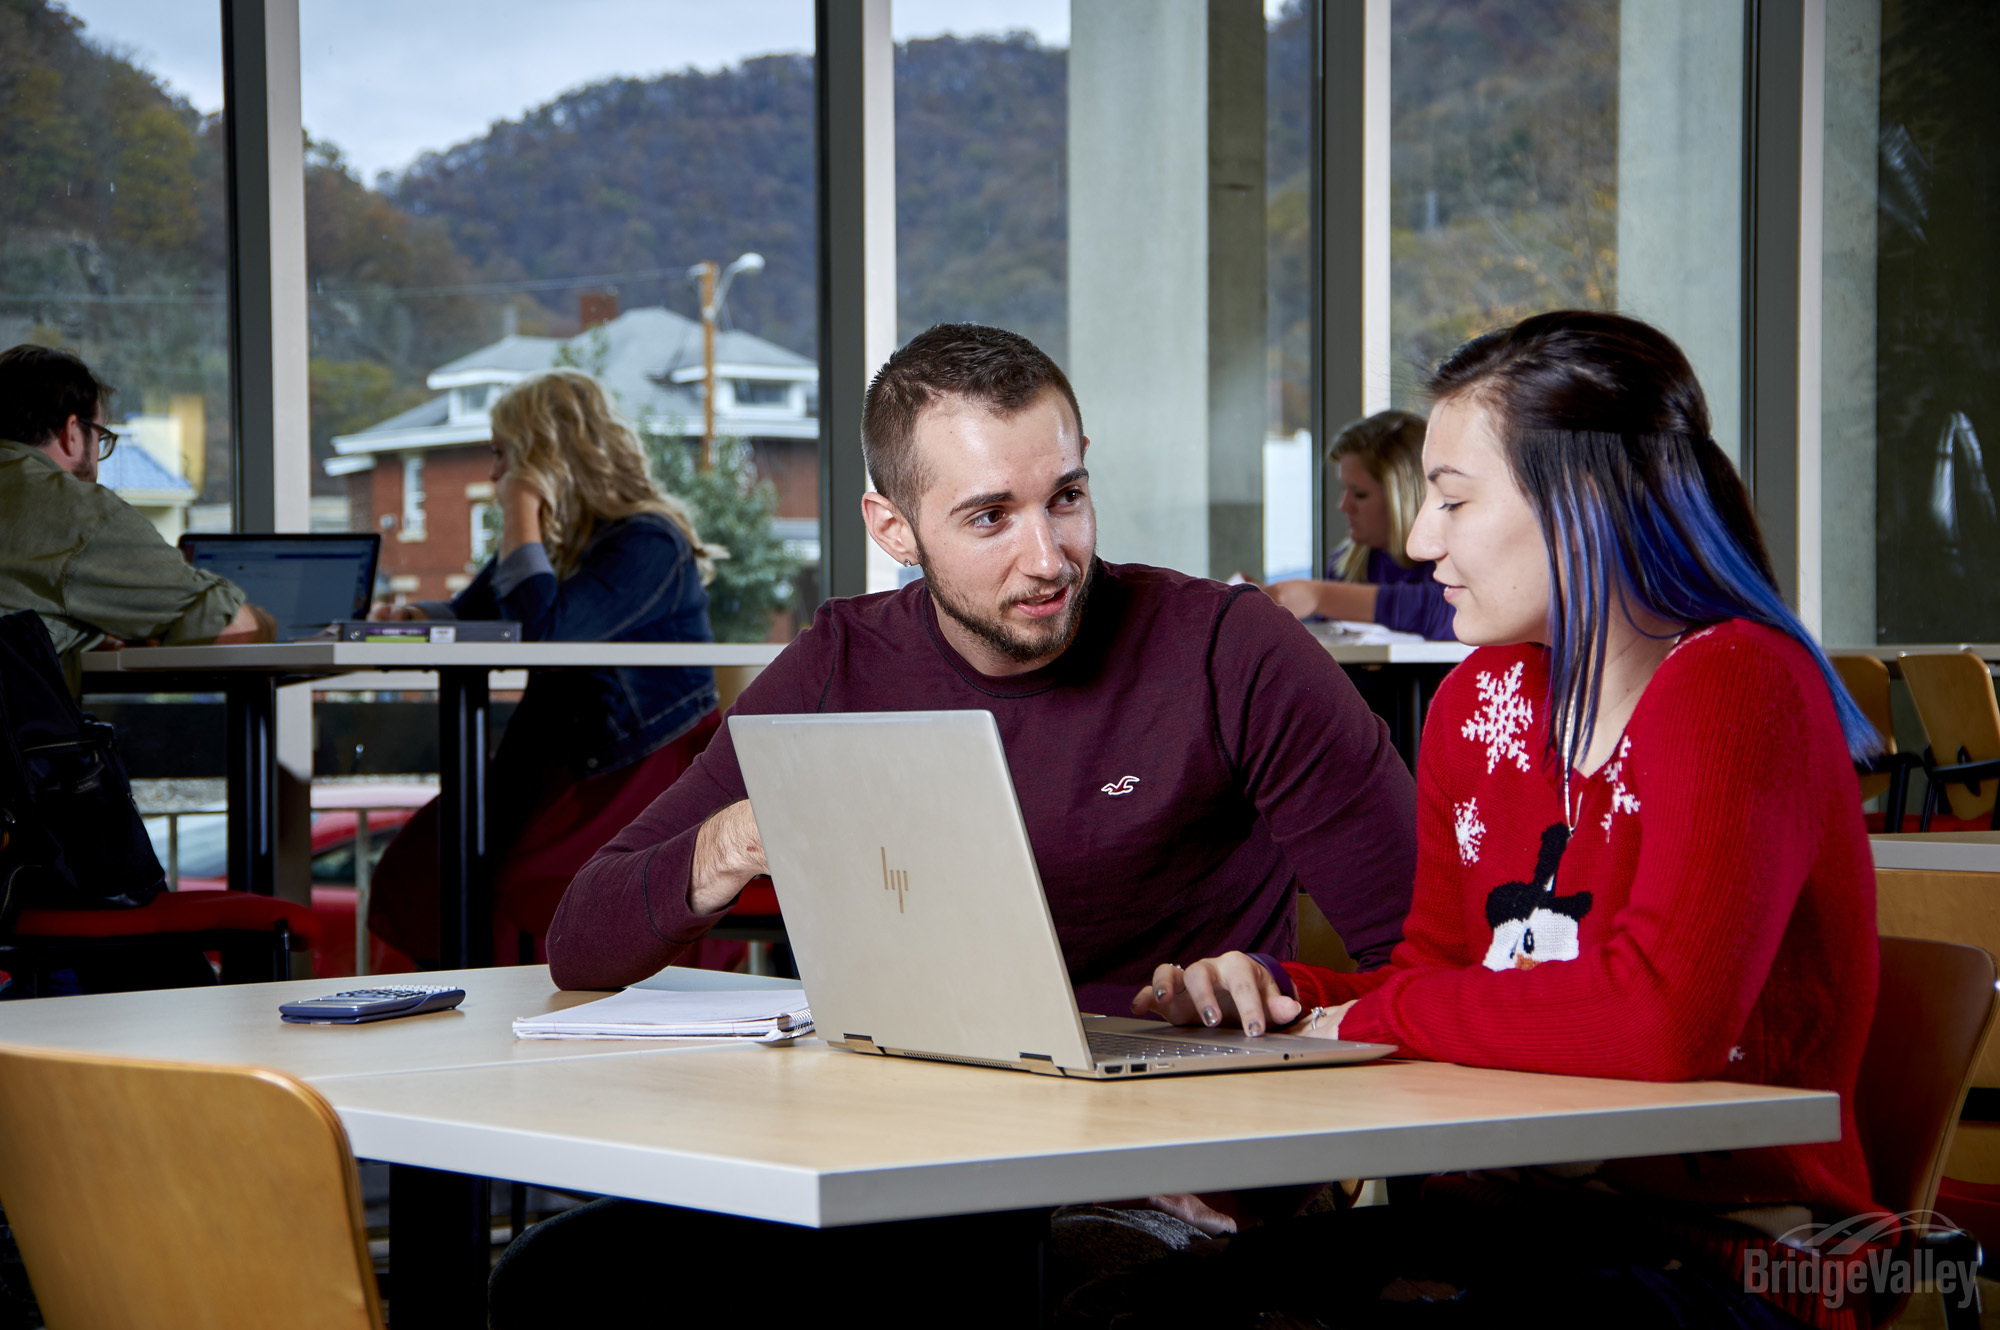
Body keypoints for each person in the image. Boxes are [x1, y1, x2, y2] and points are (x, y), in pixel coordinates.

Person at [1120, 311, 1882, 1329]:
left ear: (1584, 498)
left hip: (1725, 1254)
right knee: (1133, 1312)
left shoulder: (1737, 683)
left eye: (1451, 499)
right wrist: (1281, 998)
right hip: (1511, 1219)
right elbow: (1428, 980)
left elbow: (1658, 1020)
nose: (1421, 539)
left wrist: (1371, 1016)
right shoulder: (1479, 703)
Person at [546, 323, 1417, 1012]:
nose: (1049, 559)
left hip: (1166, 1147)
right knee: (580, 1249)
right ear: (893, 529)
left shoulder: (1233, 648)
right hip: (916, 1139)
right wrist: (739, 837)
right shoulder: (838, 664)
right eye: (991, 517)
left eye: (1066, 498)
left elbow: (1434, 957)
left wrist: (1283, 988)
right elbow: (581, 942)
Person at [365, 368, 720, 966]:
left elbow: (542, 631)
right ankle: (458, 1020)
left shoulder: (649, 541)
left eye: (504, 457)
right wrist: (408, 614)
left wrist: (521, 508)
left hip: (629, 769)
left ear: (543, 458)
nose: (495, 475)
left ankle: (531, 1018)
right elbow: (469, 612)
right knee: (422, 865)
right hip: (559, 757)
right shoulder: (567, 543)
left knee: (512, 880)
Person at [0, 344, 271, 691]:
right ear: (71, 433)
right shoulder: (77, 513)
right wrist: (266, 622)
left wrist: (88, 631)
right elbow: (231, 629)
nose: (98, 455)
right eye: (100, 438)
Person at [1263, 409, 1455, 641]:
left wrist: (1320, 597)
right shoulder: (1346, 563)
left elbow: (1444, 611)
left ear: (1403, 499)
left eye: (1360, 494)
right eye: (1344, 489)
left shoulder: (1449, 558)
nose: (1343, 505)